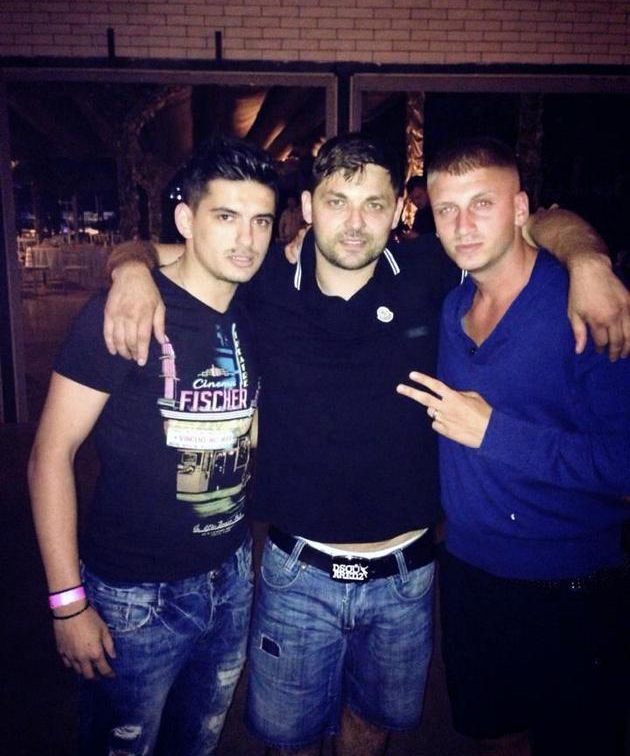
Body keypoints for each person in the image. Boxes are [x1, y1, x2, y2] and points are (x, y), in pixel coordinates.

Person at [102, 134, 630, 756]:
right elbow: (163, 251)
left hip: (407, 575)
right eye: (337, 202)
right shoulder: (262, 276)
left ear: (399, 210)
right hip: (298, 569)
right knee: (288, 740)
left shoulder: (433, 271)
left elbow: (539, 223)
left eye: (374, 204)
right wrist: (129, 269)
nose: (354, 223)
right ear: (308, 206)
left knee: (372, 727)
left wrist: (589, 262)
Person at [27, 137, 278, 756]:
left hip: (230, 577)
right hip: (134, 596)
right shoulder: (125, 313)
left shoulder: (255, 304)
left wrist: (130, 261)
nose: (246, 239)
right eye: (226, 216)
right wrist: (67, 604)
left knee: (198, 742)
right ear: (186, 219)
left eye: (261, 220)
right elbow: (50, 455)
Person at [398, 137, 630, 756]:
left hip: (571, 583)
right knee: (494, 735)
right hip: (471, 574)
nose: (463, 226)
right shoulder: (451, 306)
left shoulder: (587, 307)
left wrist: (493, 432)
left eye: (483, 203)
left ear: (522, 209)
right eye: (447, 209)